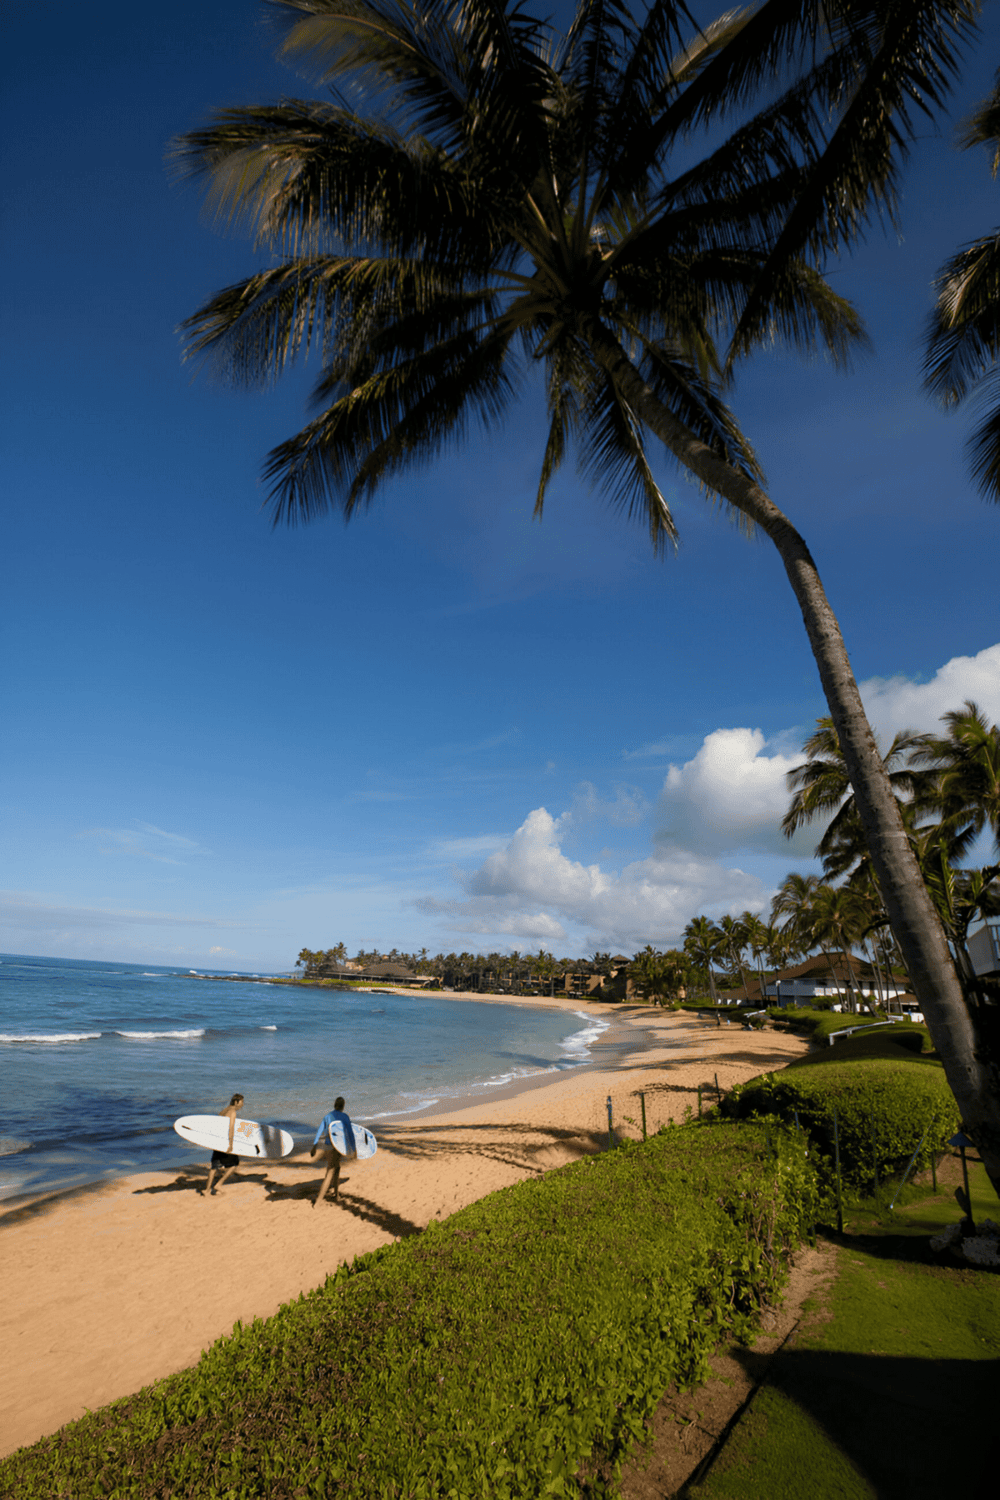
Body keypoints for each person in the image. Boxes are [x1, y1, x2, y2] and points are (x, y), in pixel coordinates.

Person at [310, 1096, 354, 1207]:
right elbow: (350, 1134)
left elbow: (320, 1131)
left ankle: (336, 1194)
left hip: (328, 1146)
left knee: (337, 1168)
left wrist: (314, 1146)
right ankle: (318, 1201)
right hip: (337, 1147)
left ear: (334, 1105)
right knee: (330, 1172)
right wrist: (353, 1149)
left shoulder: (328, 1116)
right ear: (343, 1106)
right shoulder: (345, 1117)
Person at [204, 1093, 244, 1196]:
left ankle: (207, 1190)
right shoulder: (232, 1112)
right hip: (225, 1142)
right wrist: (230, 1144)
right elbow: (230, 1129)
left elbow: (216, 1125)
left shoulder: (224, 1111)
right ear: (236, 1102)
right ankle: (218, 1184)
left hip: (218, 1142)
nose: (242, 1105)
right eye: (241, 1102)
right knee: (234, 1164)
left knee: (214, 1167)